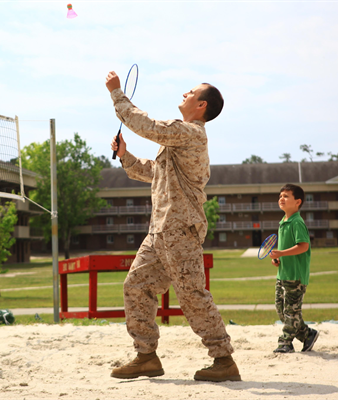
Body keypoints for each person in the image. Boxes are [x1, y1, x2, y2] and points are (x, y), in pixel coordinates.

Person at [105, 71, 240, 382]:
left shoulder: (190, 133)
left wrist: (116, 94)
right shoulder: (181, 140)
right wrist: (126, 157)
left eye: (190, 93)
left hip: (180, 232)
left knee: (192, 296)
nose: (184, 94)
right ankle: (146, 357)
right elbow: (154, 172)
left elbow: (147, 126)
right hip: (160, 233)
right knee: (136, 287)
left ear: (201, 105)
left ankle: (224, 361)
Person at [269, 184, 319, 353]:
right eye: (280, 196)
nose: (281, 199)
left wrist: (281, 252)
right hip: (283, 274)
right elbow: (286, 249)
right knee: (282, 311)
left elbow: (303, 246)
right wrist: (278, 259)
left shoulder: (297, 222)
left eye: (286, 196)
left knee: (291, 312)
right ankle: (307, 335)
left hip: (295, 277)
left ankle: (285, 342)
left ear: (298, 202)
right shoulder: (283, 221)